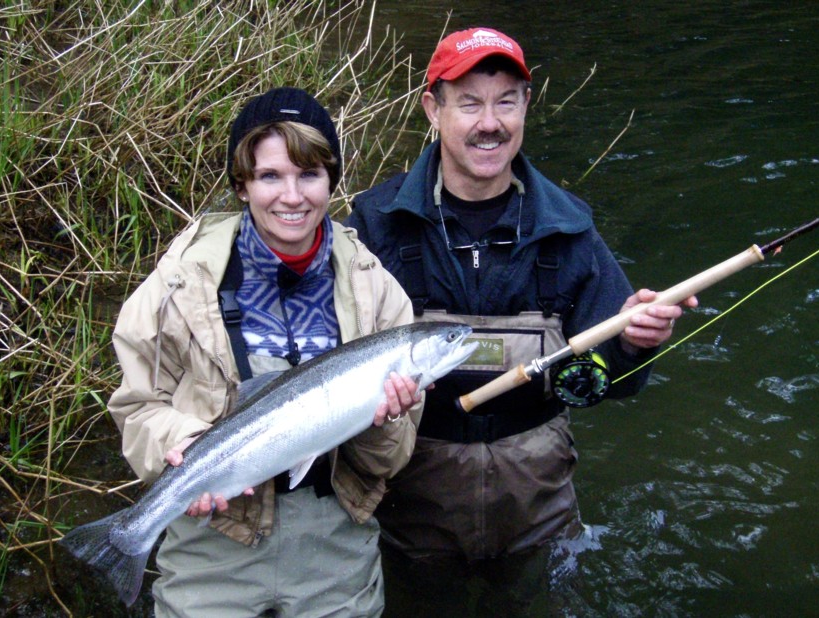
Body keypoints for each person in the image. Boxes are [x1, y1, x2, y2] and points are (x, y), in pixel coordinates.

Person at [345, 27, 697, 612]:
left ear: (526, 106)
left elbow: (621, 384)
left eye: (506, 100)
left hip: (539, 518)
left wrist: (635, 344)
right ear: (433, 109)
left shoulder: (569, 228)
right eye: (470, 103)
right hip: (409, 520)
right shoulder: (376, 225)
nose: (491, 123)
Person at [107, 86, 423, 617]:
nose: (292, 196)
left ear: (331, 181)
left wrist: (385, 420)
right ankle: (127, 540)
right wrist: (179, 443)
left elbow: (392, 458)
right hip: (212, 545)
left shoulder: (378, 290)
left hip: (337, 546)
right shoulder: (178, 283)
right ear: (242, 184)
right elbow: (138, 408)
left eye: (310, 175)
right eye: (270, 176)